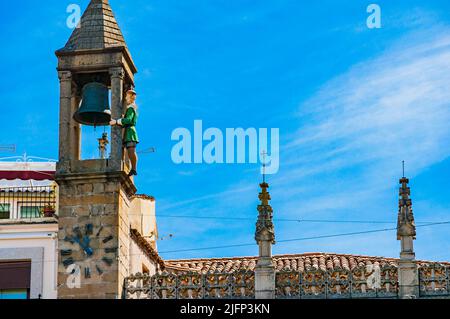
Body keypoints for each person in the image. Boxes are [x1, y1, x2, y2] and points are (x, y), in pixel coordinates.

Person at [110, 89, 139, 177]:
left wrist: (117, 121)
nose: (126, 98)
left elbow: (129, 120)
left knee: (131, 150)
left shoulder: (131, 108)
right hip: (128, 131)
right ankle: (133, 169)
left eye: (127, 96)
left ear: (130, 97)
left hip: (130, 132)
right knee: (129, 150)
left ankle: (133, 169)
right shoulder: (132, 108)